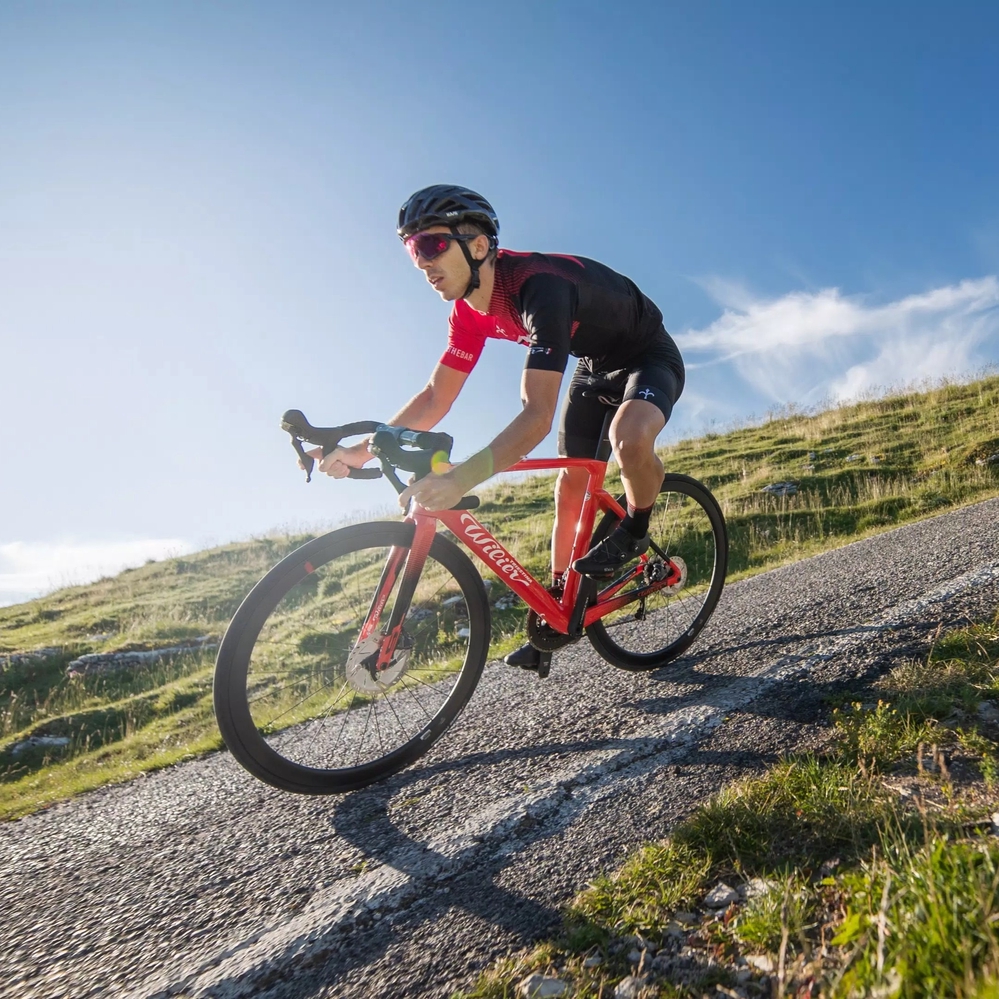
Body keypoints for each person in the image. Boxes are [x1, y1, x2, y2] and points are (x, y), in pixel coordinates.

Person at [315, 185, 685, 670]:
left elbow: (536, 416)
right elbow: (435, 397)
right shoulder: (467, 313)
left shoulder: (539, 288)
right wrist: (360, 450)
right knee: (570, 484)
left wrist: (461, 479)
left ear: (478, 246)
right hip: (593, 366)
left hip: (647, 356)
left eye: (431, 245)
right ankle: (559, 610)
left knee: (628, 437)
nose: (422, 263)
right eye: (412, 251)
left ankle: (635, 527)